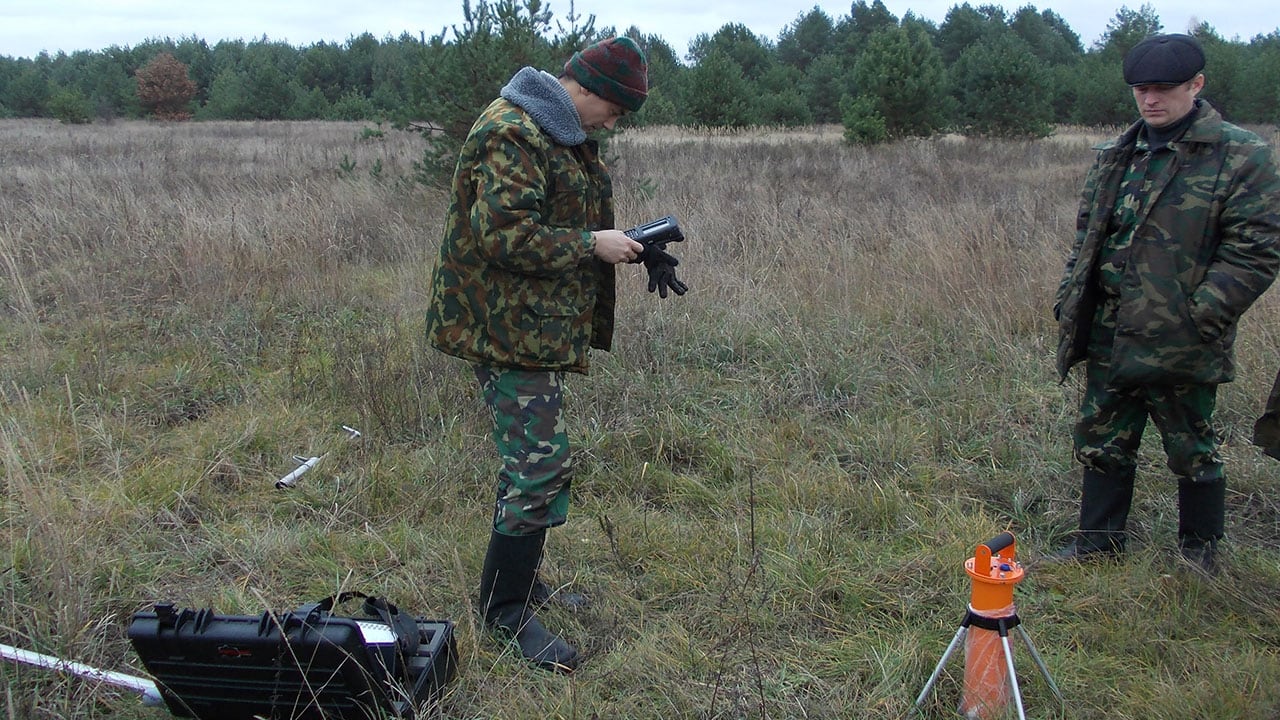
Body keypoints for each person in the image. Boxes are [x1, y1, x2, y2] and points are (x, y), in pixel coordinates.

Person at [424, 37, 681, 673]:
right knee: (539, 468)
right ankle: (503, 614)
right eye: (616, 110)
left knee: (533, 464)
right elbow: (504, 236)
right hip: (501, 329)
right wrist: (592, 244)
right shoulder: (513, 132)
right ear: (588, 90)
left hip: (528, 326)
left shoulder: (555, 130)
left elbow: (557, 216)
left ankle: (517, 584)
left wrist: (629, 245)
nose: (614, 124)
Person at [1052, 33, 1280, 572]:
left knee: (1191, 445)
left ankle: (1201, 553)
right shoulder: (1118, 152)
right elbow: (1089, 234)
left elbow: (1257, 249)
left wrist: (1201, 313)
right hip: (1110, 325)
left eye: (1163, 89)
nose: (1150, 99)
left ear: (1196, 85)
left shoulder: (1239, 154)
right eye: (1140, 89)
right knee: (1102, 435)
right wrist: (1072, 295)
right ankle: (1097, 544)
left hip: (1184, 334)